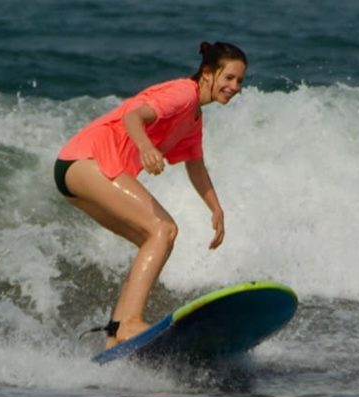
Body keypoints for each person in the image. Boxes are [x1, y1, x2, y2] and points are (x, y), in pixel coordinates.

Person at [54, 41, 247, 348]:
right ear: (208, 73)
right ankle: (131, 324)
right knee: (164, 229)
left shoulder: (194, 117)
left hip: (74, 169)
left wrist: (216, 208)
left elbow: (195, 165)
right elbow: (133, 116)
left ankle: (115, 334)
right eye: (229, 78)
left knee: (151, 239)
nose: (234, 86)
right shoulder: (184, 94)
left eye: (240, 81)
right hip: (86, 161)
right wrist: (146, 147)